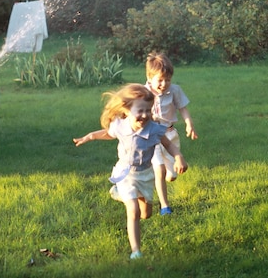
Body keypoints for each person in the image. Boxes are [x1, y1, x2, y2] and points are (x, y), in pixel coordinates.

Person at [73, 83, 188, 260]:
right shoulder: (120, 125)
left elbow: (169, 144)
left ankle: (122, 195)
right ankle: (136, 251)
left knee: (145, 214)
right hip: (126, 173)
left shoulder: (155, 129)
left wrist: (178, 157)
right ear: (126, 110)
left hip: (145, 174)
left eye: (148, 110)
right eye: (140, 111)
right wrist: (89, 136)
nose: (145, 115)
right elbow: (107, 133)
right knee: (133, 210)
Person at [145, 52, 198, 216]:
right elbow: (133, 109)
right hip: (153, 137)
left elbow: (183, 108)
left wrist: (189, 124)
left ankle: (170, 175)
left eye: (167, 80)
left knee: (171, 175)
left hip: (170, 135)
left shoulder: (174, 90)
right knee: (158, 170)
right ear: (149, 78)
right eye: (159, 80)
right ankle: (164, 206)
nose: (164, 84)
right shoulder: (144, 92)